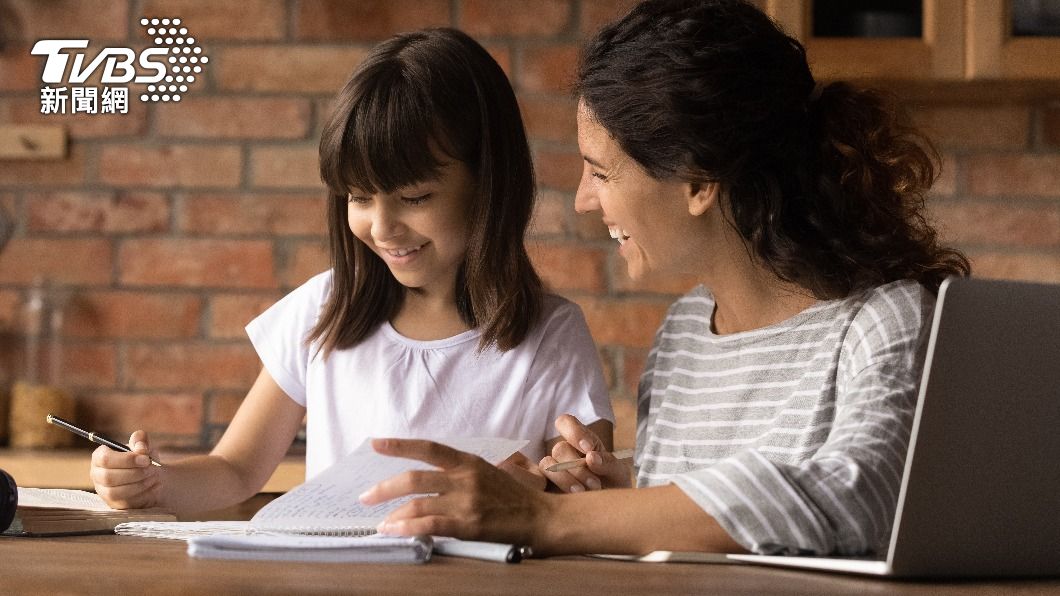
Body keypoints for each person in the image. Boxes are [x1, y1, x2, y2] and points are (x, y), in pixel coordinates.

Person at [357, 0, 971, 557]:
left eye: (601, 172)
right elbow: (703, 521)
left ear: (698, 182)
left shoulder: (885, 322)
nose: (582, 202)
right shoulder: (683, 335)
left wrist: (544, 519)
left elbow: (860, 499)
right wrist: (614, 484)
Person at [89, 28, 614, 514]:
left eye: (414, 197)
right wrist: (154, 482)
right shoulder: (324, 311)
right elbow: (235, 468)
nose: (382, 227)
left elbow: (587, 486)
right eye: (359, 197)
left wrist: (563, 476)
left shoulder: (551, 337)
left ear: (488, 184)